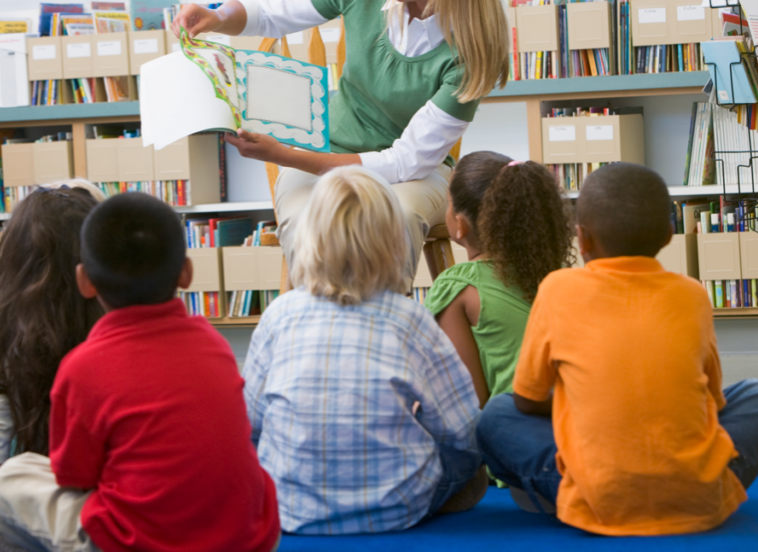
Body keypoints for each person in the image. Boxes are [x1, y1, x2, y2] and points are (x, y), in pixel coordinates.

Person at [173, 0, 509, 288]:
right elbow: (274, 11)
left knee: (396, 217)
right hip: (326, 148)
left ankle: (382, 332)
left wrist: (288, 156)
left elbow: (405, 161)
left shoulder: (470, 53)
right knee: (306, 218)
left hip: (415, 172)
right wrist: (218, 16)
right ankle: (317, 330)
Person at [0, 193, 280, 552]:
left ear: (85, 281)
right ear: (186, 271)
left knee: (13, 476)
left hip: (136, 540)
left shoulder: (82, 367)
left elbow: (75, 478)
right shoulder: (217, 346)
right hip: (248, 537)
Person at [477, 163, 758, 535]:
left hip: (600, 498)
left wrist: (581, 401)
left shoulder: (557, 289)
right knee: (753, 393)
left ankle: (567, 490)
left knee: (496, 415)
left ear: (582, 238)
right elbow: (713, 400)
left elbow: (527, 401)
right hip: (697, 494)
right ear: (669, 234)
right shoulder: (693, 293)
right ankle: (705, 481)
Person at [243, 166, 483, 535]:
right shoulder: (410, 319)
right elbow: (460, 430)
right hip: (395, 509)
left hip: (291, 510)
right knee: (470, 474)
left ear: (308, 238)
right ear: (396, 243)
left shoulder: (278, 315)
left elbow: (252, 425)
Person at [0, 182, 104, 544]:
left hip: (89, 483)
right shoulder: (112, 298)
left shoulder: (4, 309)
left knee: (7, 476)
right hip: (114, 488)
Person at [424, 153, 573, 407]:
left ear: (460, 225)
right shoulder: (562, 276)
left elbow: (468, 405)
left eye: (448, 202)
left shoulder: (457, 287)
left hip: (516, 431)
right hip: (576, 425)